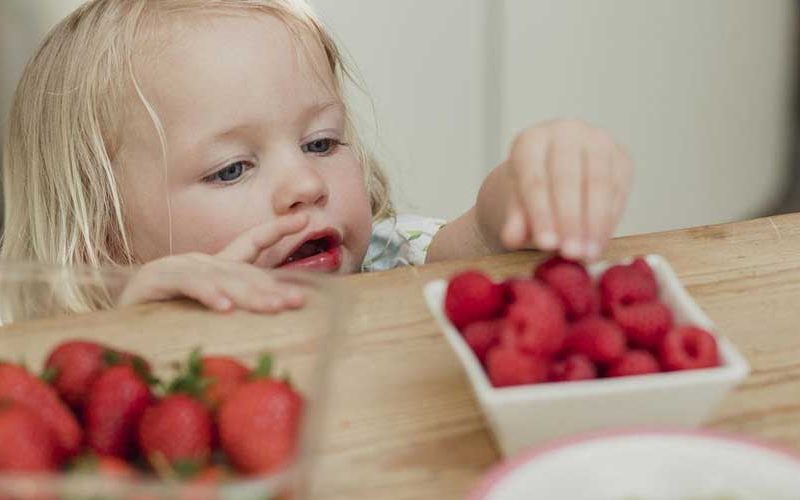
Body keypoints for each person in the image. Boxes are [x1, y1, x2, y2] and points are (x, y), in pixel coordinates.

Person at [0, 0, 632, 322]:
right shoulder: (80, 360)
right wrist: (141, 335)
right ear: (101, 240)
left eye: (321, 143)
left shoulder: (380, 258)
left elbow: (483, 239)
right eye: (231, 169)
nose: (304, 184)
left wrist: (528, 184)